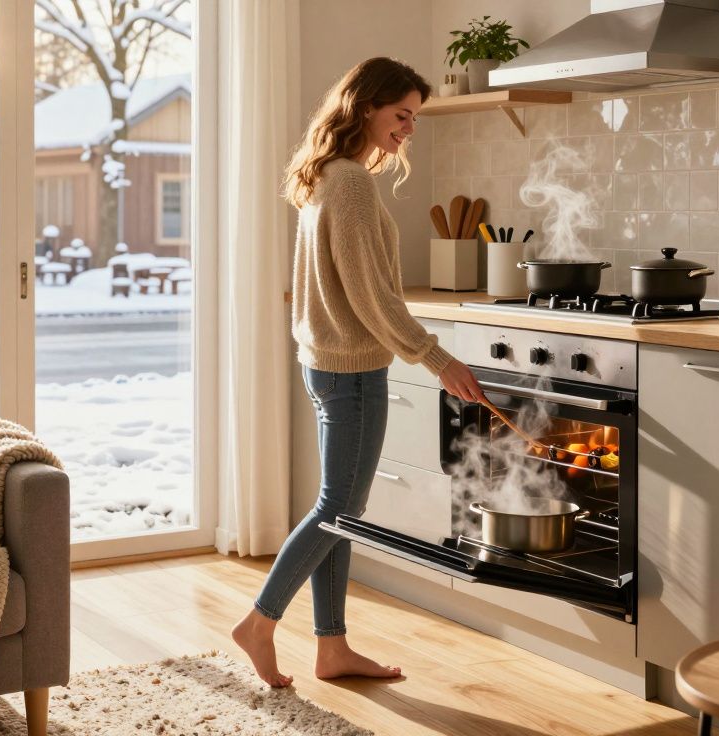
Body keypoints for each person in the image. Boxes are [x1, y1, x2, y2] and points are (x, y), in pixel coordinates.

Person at [230, 57, 487, 688]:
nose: (409, 129)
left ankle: (332, 647)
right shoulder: (348, 182)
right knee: (339, 506)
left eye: (414, 118)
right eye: (401, 114)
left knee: (339, 507)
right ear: (365, 107)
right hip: (351, 371)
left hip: (327, 364)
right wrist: (438, 357)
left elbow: (353, 288)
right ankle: (260, 622)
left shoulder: (325, 173)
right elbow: (371, 294)